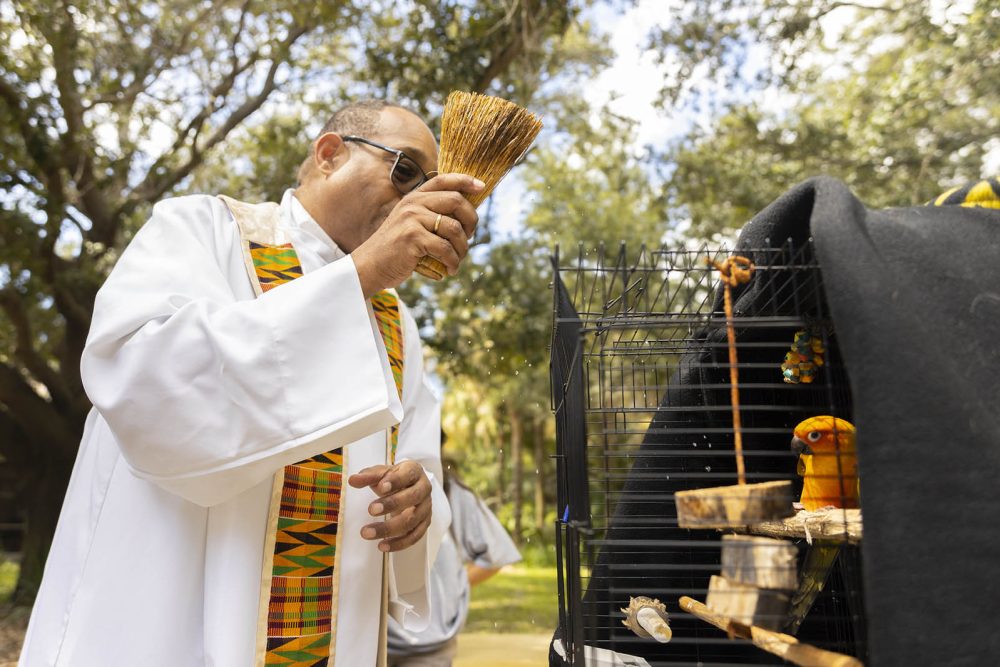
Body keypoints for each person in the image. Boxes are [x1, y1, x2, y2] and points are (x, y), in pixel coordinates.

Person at [20, 100, 486, 666]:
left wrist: (418, 502)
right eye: (405, 171)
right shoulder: (202, 229)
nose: (417, 198)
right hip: (167, 623)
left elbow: (419, 467)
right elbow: (142, 380)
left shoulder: (395, 322)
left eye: (429, 184)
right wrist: (360, 273)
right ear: (329, 154)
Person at [387, 444, 521, 667]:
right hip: (374, 637)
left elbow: (494, 557)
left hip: (430, 646)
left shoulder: (452, 491)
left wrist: (457, 585)